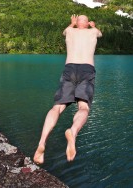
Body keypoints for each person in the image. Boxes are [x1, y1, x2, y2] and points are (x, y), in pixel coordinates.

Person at [33, 14, 102, 164]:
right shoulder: (92, 31)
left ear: (77, 22)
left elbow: (64, 32)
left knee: (57, 108)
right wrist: (93, 25)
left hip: (69, 68)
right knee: (83, 107)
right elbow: (100, 33)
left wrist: (71, 24)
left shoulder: (70, 31)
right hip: (87, 69)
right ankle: (73, 131)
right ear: (87, 23)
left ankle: (42, 141)